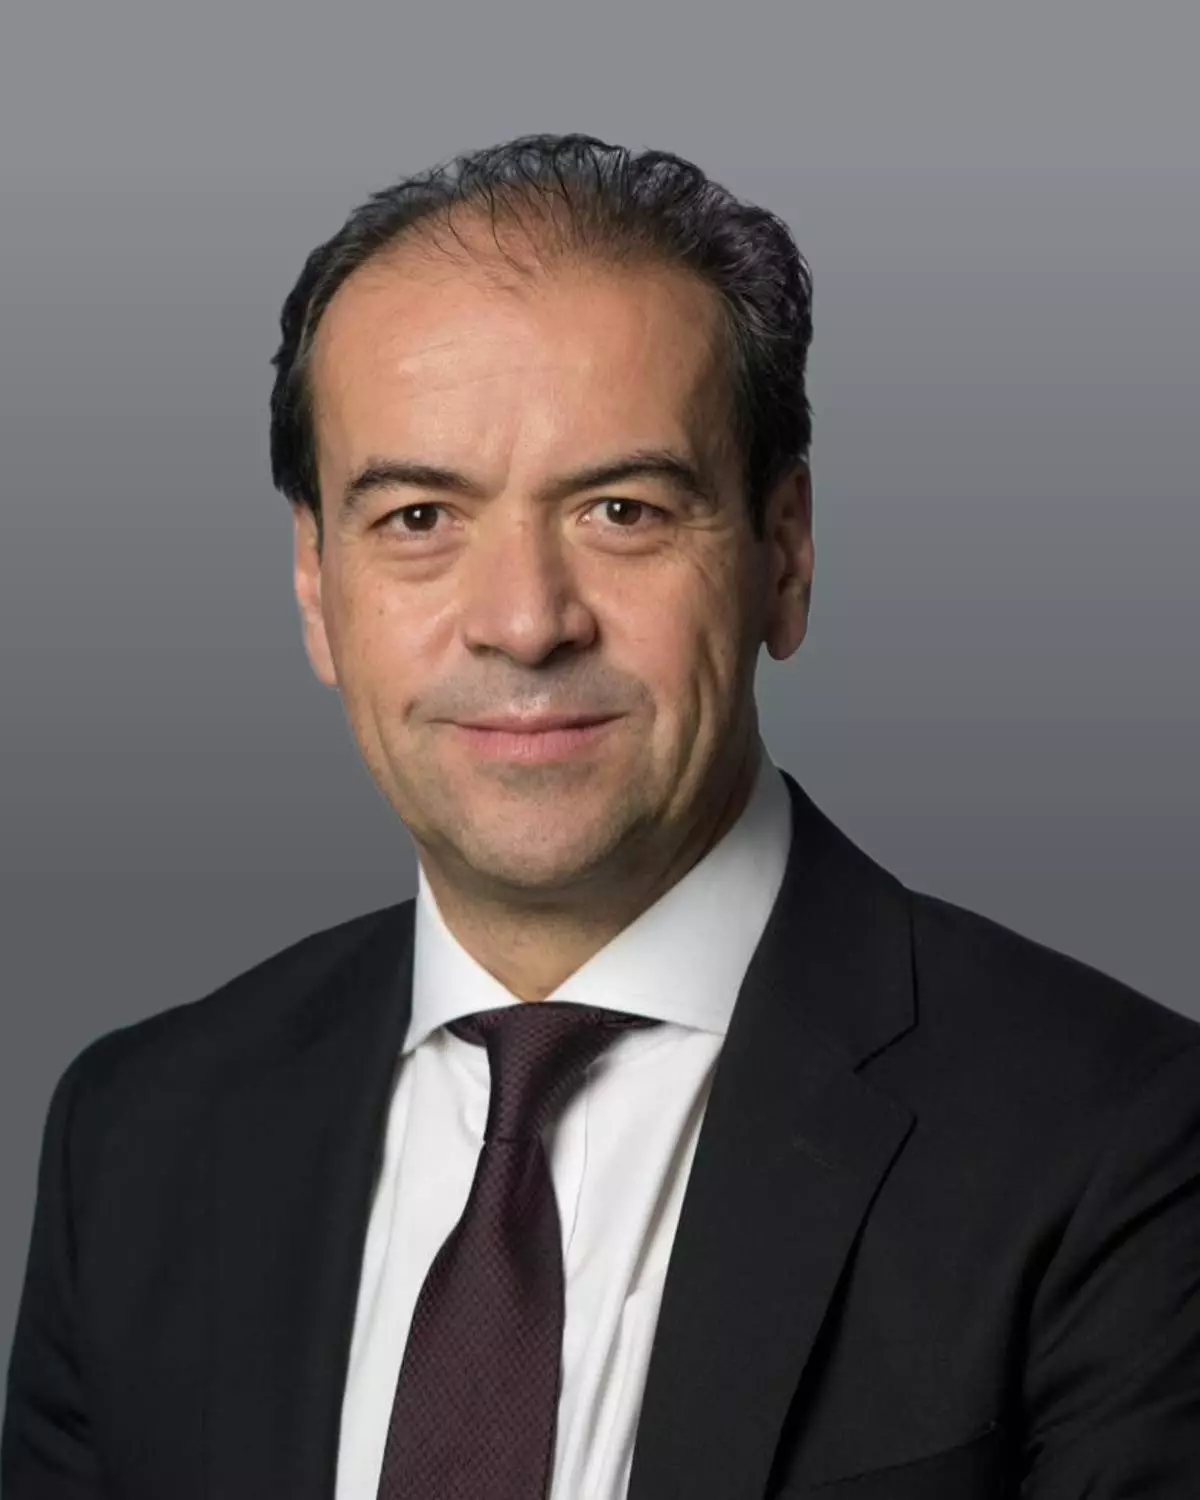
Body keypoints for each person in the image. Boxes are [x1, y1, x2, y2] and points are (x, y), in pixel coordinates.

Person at [4, 132, 1198, 1500]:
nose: (525, 622)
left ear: (785, 555)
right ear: (316, 586)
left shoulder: (1121, 1144)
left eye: (622, 510)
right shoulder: (136, 1140)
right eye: (417, 519)